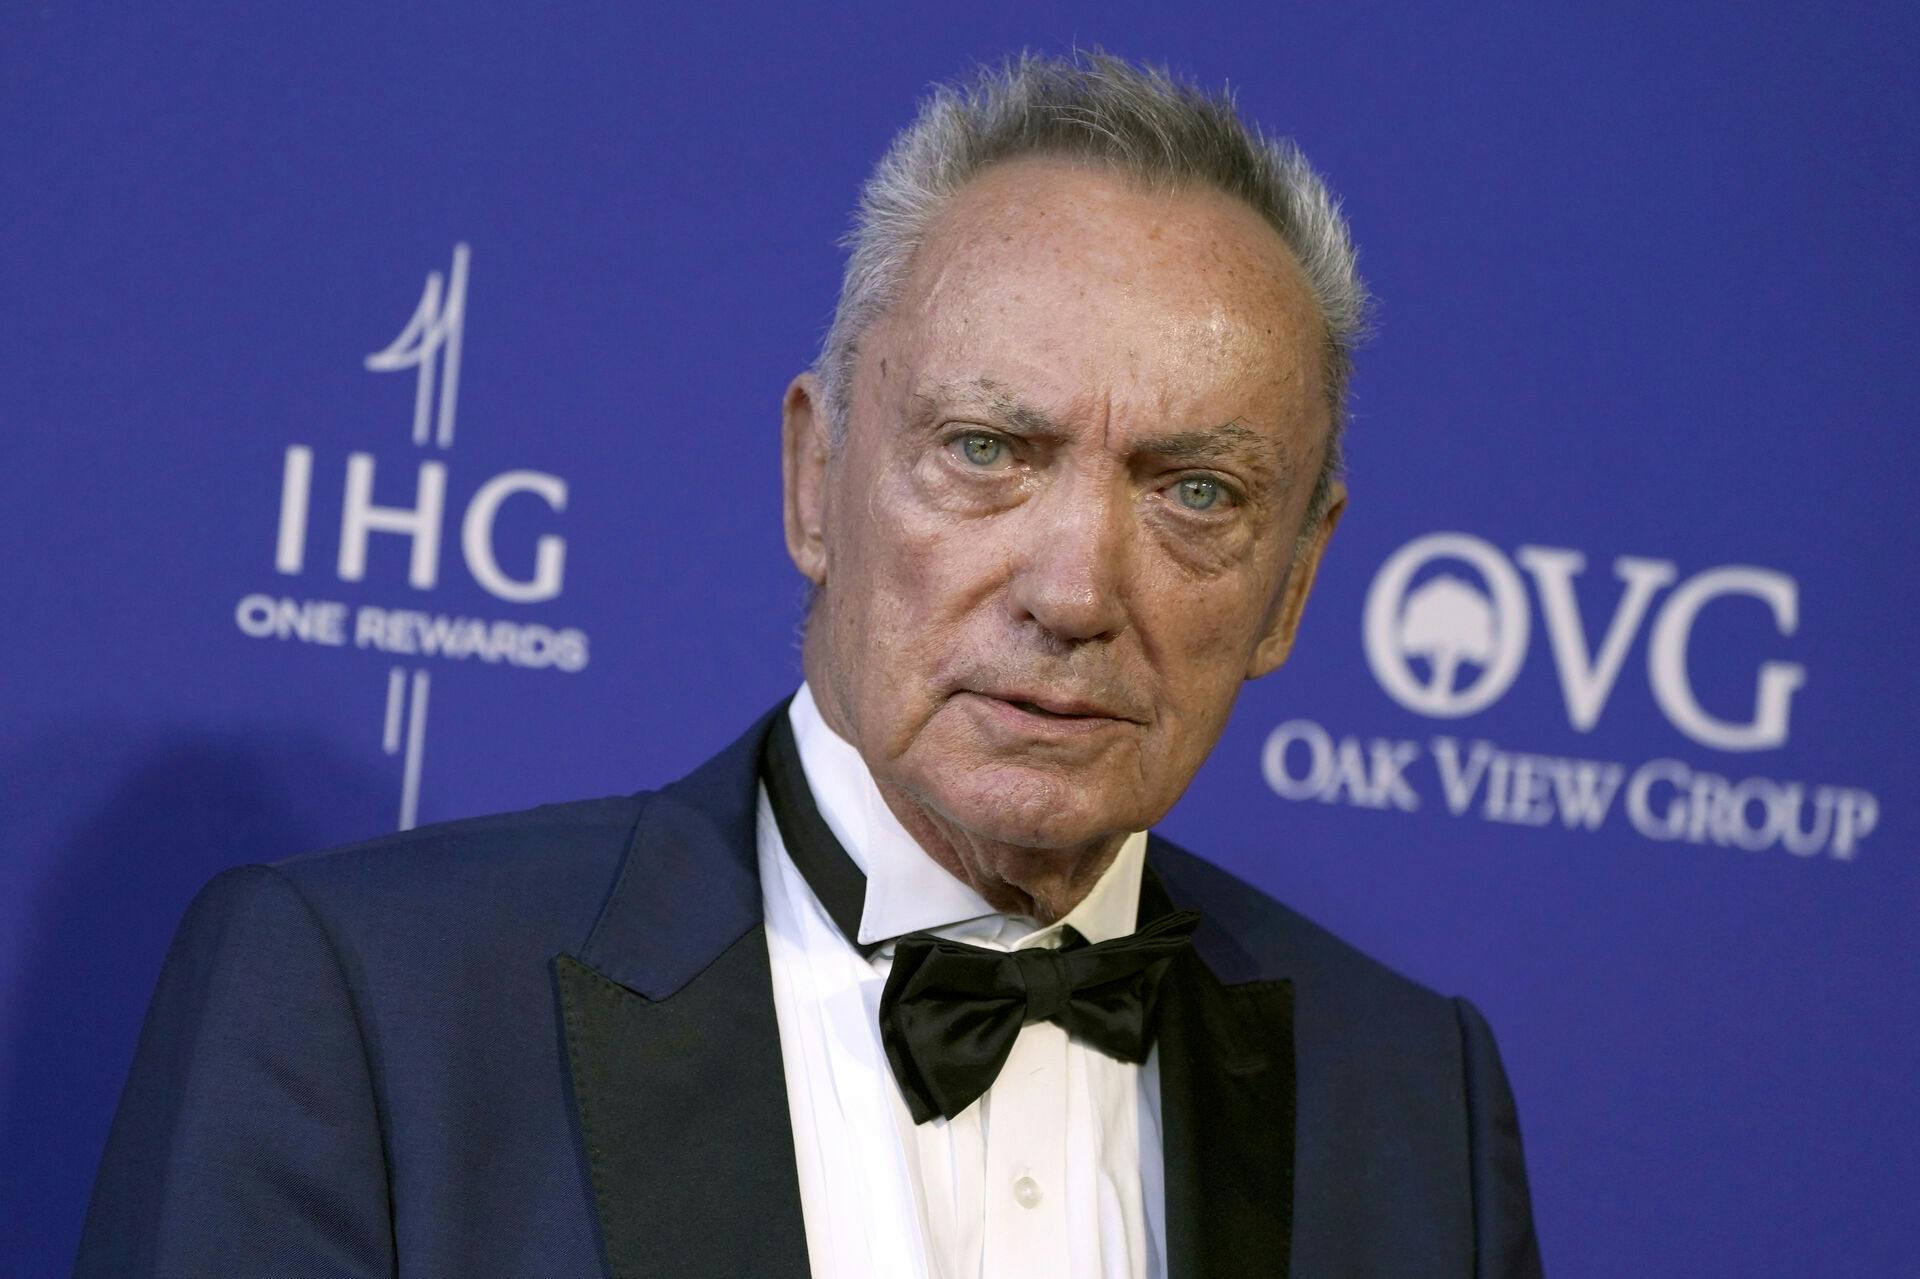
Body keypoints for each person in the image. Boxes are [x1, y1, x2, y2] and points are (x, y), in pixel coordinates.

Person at [76, 52, 1543, 1278]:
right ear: (813, 479)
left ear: (1293, 581)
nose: (1077, 590)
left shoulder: (1412, 1098)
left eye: (1196, 494)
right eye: (986, 451)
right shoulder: (367, 1009)